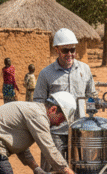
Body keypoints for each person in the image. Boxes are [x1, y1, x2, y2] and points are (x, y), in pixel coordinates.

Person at [34, 27, 97, 158]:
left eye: (72, 50)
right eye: (65, 50)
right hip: (55, 132)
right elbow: (38, 103)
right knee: (53, 170)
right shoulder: (46, 74)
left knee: (80, 169)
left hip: (80, 129)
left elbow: (91, 95)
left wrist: (91, 116)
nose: (70, 54)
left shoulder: (84, 69)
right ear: (56, 50)